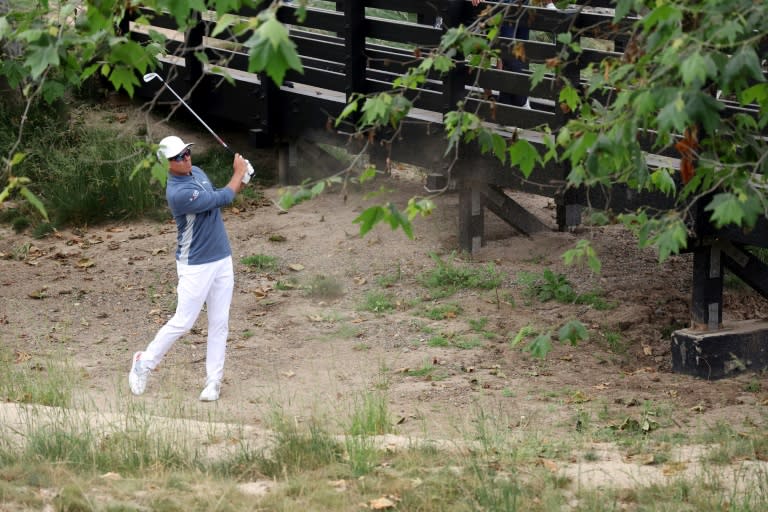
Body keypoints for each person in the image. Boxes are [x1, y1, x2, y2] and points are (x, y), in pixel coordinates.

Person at [129, 135, 248, 402]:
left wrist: (244, 176)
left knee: (220, 323)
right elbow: (223, 197)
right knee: (184, 322)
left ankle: (213, 381)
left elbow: (225, 192)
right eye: (178, 157)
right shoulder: (178, 193)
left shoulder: (198, 172)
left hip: (221, 258)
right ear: (167, 164)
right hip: (195, 264)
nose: (185, 158)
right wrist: (238, 173)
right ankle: (144, 362)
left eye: (186, 152)